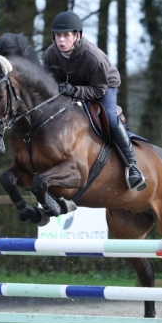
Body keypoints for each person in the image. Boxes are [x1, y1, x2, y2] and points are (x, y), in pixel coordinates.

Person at [44, 10, 147, 191]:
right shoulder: (50, 54)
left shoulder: (93, 57)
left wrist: (75, 91)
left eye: (66, 35)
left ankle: (133, 167)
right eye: (58, 35)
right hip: (73, 86)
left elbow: (99, 90)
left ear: (77, 35)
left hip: (104, 86)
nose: (61, 40)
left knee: (109, 116)